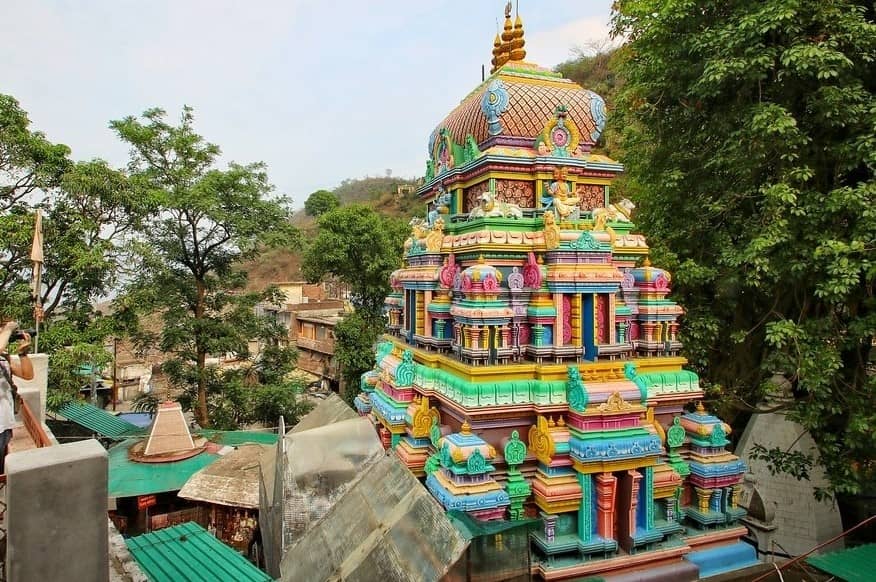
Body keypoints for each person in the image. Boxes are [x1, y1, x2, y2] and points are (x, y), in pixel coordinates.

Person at [0, 320, 33, 473]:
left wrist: (22, 353)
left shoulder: (3, 358)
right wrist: (8, 329)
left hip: (4, 423)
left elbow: (27, 375)